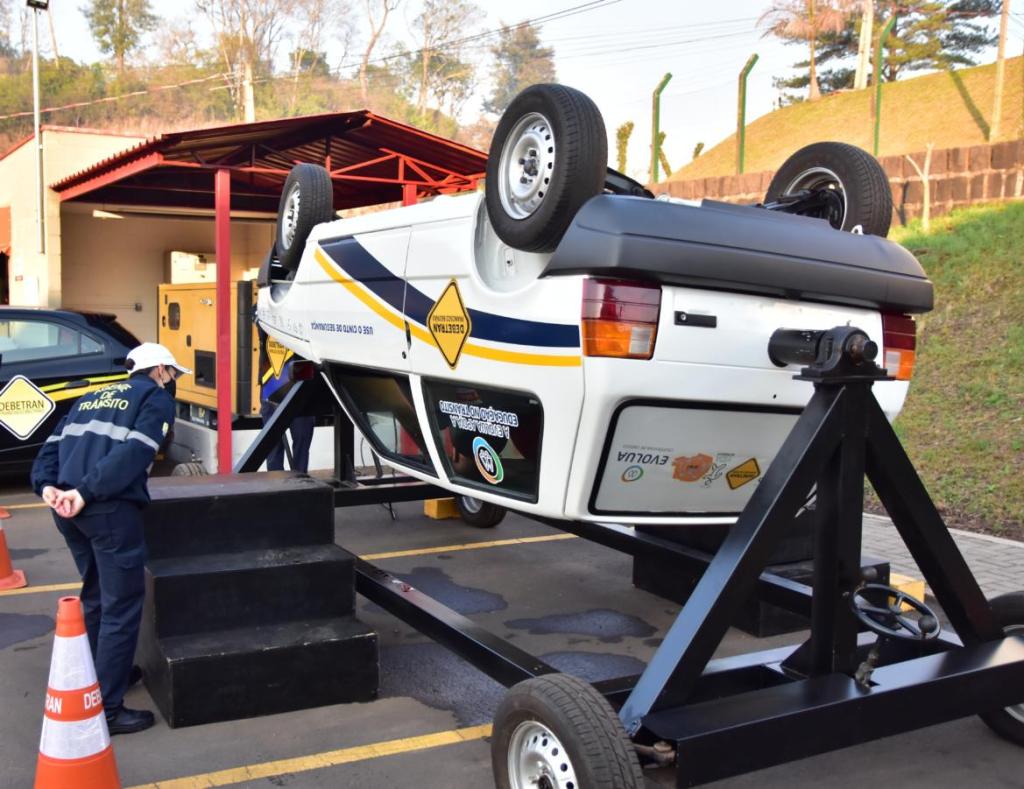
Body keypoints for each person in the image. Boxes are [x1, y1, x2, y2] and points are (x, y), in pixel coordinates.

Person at [31, 342, 189, 735]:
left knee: (97, 595)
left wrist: (47, 488)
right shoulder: (154, 398)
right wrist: (87, 492)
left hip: (67, 511)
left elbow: (49, 451)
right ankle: (106, 708)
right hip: (107, 510)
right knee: (121, 605)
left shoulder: (91, 395)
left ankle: (102, 676)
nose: (174, 382)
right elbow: (135, 454)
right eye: (174, 374)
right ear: (159, 371)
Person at [259, 331, 314, 472]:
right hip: (271, 387)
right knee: (272, 446)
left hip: (298, 388)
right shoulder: (262, 312)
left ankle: (299, 483)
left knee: (301, 440)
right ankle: (276, 486)